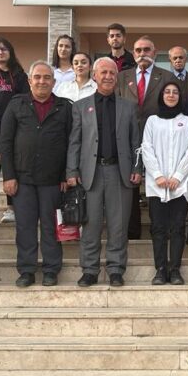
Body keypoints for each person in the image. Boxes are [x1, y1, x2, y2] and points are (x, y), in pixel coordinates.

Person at [67, 57, 142, 287]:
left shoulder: (129, 107)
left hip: (120, 172)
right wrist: (71, 170)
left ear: (116, 77)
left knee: (118, 225)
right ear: (95, 76)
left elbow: (135, 142)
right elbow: (75, 141)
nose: (108, 76)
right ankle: (89, 270)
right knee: (91, 225)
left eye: (112, 72)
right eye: (104, 72)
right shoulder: (80, 106)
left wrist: (138, 167)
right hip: (90, 173)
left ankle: (116, 269)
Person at [0, 60, 72, 288]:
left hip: (53, 181)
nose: (42, 81)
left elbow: (71, 143)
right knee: (25, 227)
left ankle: (51, 269)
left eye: (47, 77)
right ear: (30, 81)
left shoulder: (64, 107)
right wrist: (8, 176)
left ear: (53, 81)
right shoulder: (16, 104)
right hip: (22, 180)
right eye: (37, 77)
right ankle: (27, 270)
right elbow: (6, 142)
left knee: (51, 227)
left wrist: (65, 175)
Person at [118, 36, 176, 239]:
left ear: (155, 52)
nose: (142, 53)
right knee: (129, 185)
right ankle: (132, 231)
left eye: (147, 49)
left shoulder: (167, 76)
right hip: (127, 138)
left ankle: (159, 230)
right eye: (138, 50)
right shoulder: (122, 77)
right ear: (133, 54)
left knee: (157, 183)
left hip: (158, 139)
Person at [141, 81, 188, 285]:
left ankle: (175, 270)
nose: (171, 95)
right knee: (158, 227)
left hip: (179, 185)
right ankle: (160, 269)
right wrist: (157, 174)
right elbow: (146, 148)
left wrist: (177, 176)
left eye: (175, 92)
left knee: (177, 228)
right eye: (167, 92)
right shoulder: (152, 121)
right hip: (156, 184)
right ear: (161, 96)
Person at [0, 37, 29, 223]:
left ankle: (11, 208)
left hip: (14, 127)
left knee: (11, 168)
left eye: (3, 49)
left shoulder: (19, 75)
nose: (0, 52)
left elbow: (25, 99)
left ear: (10, 52)